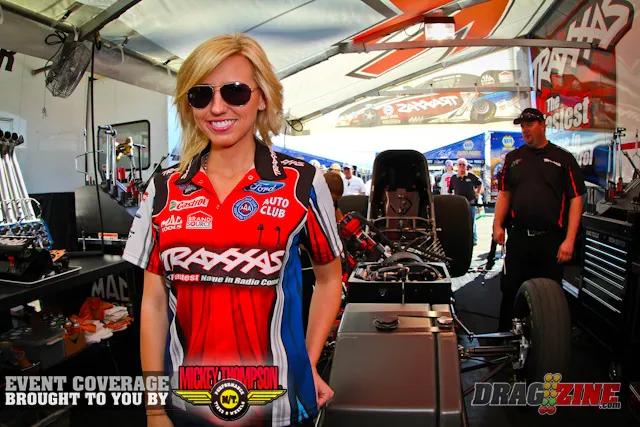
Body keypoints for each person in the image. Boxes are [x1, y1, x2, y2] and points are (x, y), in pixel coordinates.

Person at [123, 33, 343, 427]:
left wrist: (307, 362)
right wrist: (154, 407)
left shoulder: (303, 182)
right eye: (201, 94)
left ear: (263, 98)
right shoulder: (164, 188)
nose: (217, 107)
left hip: (279, 405)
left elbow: (329, 279)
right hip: (188, 403)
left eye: (235, 91)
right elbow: (153, 303)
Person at [494, 108, 586, 332]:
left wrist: (569, 240)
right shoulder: (513, 158)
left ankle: (547, 341)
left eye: (529, 124)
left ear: (543, 125)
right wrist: (497, 225)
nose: (525, 129)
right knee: (511, 290)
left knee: (550, 295)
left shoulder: (563, 158)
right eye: (522, 126)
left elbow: (576, 199)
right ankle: (505, 338)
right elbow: (504, 194)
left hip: (551, 241)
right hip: (519, 238)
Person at [302, 171, 344, 335]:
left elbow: (340, 221)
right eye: (331, 200)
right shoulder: (305, 202)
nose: (332, 204)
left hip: (320, 261)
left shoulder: (331, 203)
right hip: (304, 263)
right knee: (306, 300)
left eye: (335, 201)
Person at [449, 158, 483, 245]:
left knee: (471, 221)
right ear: (457, 166)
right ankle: (462, 238)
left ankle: (473, 239)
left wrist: (477, 193)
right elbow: (450, 191)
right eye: (460, 164)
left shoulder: (471, 176)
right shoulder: (453, 178)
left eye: (463, 165)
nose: (462, 166)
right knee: (459, 221)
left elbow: (480, 183)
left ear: (466, 166)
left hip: (470, 202)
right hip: (458, 203)